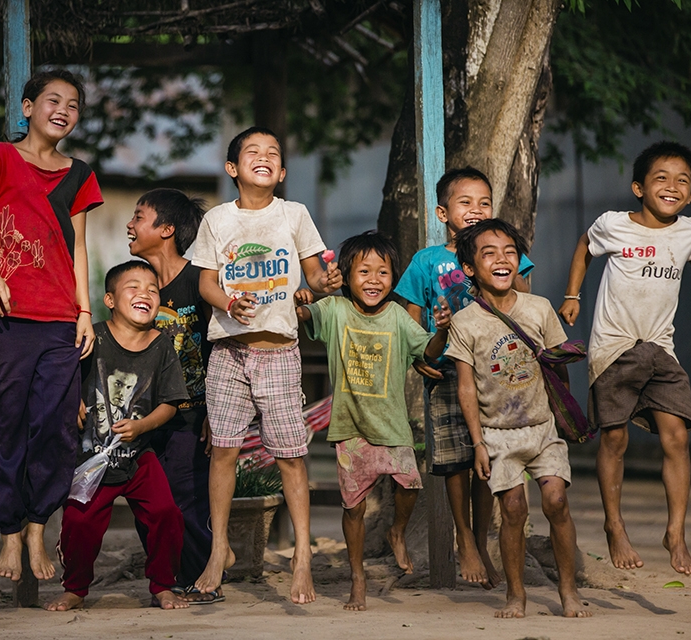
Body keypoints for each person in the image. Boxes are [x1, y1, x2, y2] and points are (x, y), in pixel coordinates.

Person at [558, 141, 691, 576]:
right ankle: (614, 524)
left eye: (683, 181)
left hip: (661, 347)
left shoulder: (688, 231)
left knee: (676, 437)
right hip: (615, 347)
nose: (672, 186)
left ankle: (675, 533)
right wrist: (572, 295)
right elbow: (584, 245)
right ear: (639, 188)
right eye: (662, 178)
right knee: (615, 439)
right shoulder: (614, 225)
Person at [190, 126, 342, 604]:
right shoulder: (217, 219)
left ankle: (301, 557)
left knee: (291, 456)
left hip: (278, 352)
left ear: (282, 171)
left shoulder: (294, 214)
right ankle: (219, 548)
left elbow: (314, 276)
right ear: (232, 168)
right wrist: (228, 303)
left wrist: (323, 284)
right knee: (223, 451)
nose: (263, 157)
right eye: (252, 151)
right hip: (228, 353)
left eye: (272, 152)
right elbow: (206, 284)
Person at [0, 68, 103, 582]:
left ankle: (38, 527)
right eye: (52, 100)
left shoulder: (79, 174)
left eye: (73, 104)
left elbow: (79, 247)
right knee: (2, 423)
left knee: (56, 425)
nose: (63, 110)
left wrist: (85, 311)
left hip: (60, 319)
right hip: (3, 317)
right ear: (27, 108)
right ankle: (9, 533)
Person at [296, 231, 450, 611]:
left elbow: (428, 350)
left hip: (392, 425)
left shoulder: (397, 316)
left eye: (383, 272)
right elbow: (303, 315)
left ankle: (397, 531)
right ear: (346, 276)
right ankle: (357, 576)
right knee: (354, 508)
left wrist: (443, 329)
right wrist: (305, 297)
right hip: (350, 428)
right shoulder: (335, 309)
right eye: (364, 271)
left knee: (410, 484)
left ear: (393, 278)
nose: (374, 280)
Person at [394, 167, 532, 588]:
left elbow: (524, 299)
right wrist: (417, 355)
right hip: (447, 370)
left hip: (494, 370)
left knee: (487, 457)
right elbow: (410, 316)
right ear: (443, 213)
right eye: (465, 202)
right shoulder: (426, 260)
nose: (476, 210)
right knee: (456, 459)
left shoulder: (501, 252)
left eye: (484, 203)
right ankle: (464, 537)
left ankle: (482, 538)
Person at [446, 219, 590, 619]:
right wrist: (478, 443)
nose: (502, 259)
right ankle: (516, 594)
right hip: (497, 435)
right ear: (470, 268)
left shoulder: (539, 308)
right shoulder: (465, 322)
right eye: (489, 253)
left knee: (557, 501)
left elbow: (559, 364)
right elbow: (466, 388)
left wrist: (565, 415)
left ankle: (568, 589)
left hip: (542, 428)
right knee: (512, 510)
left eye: (510, 252)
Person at [44, 261, 190, 612]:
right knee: (79, 522)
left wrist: (142, 426)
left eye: (153, 289)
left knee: (166, 513)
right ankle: (75, 588)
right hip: (90, 460)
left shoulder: (161, 345)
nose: (145, 294)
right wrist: (70, 401)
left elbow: (170, 404)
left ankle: (163, 585)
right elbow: (60, 378)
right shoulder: (91, 337)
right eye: (133, 287)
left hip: (138, 456)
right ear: (109, 300)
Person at [126, 188, 220, 602]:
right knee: (147, 502)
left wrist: (216, 413)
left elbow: (219, 347)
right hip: (144, 420)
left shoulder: (199, 281)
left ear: (166, 229)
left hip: (191, 418)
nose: (129, 224)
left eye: (138, 216)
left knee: (188, 500)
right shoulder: (134, 286)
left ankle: (203, 580)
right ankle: (164, 582)